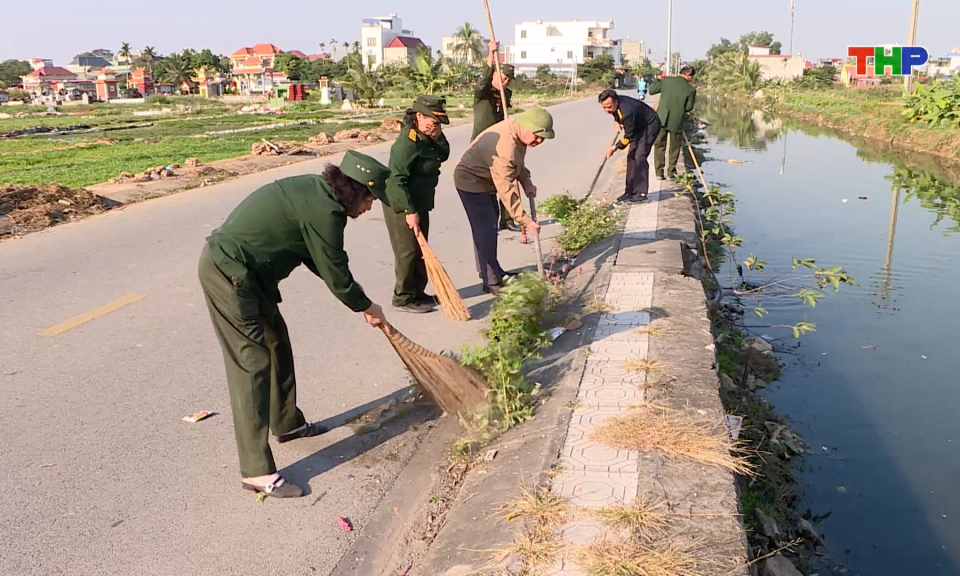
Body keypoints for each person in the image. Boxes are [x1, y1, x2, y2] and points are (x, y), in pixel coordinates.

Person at [198, 150, 391, 499]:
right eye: (371, 200)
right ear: (355, 192)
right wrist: (364, 304)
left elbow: (317, 259)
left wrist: (359, 301)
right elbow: (335, 271)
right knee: (252, 365)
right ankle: (257, 472)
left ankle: (287, 424)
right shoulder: (326, 212)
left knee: (277, 344)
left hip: (251, 278)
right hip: (228, 274)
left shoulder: (317, 193)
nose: (369, 209)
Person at [454, 108, 554, 294]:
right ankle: (491, 280)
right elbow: (506, 189)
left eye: (542, 139)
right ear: (526, 127)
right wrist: (524, 219)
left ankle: (492, 271)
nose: (539, 142)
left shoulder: (518, 132)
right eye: (537, 137)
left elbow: (518, 164)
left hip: (487, 180)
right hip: (472, 181)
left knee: (489, 227)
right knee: (486, 230)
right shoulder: (505, 147)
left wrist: (527, 183)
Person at [383, 95, 451, 314]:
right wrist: (408, 211)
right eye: (433, 120)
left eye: (439, 122)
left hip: (421, 201)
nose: (436, 125)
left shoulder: (427, 135)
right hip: (402, 202)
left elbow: (444, 154)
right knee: (408, 251)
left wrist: (438, 136)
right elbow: (396, 179)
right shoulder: (408, 142)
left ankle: (418, 292)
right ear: (419, 116)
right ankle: (403, 297)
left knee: (422, 248)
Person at [471, 39, 520, 233]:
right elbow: (482, 81)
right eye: (502, 77)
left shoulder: (505, 94)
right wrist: (491, 55)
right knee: (486, 183)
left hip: (500, 143)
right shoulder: (483, 93)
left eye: (508, 79)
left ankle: (508, 219)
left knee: (506, 178)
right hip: (482, 143)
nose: (505, 82)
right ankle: (489, 219)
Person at [599, 89, 662, 203]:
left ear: (616, 101)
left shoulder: (627, 111)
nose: (607, 110)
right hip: (637, 127)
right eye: (604, 107)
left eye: (609, 107)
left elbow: (629, 136)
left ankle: (641, 192)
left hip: (649, 126)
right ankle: (630, 191)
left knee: (640, 157)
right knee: (631, 156)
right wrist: (617, 121)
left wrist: (614, 147)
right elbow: (616, 113)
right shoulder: (616, 105)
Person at [648, 65, 697, 180]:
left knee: (659, 145)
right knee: (674, 148)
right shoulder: (690, 89)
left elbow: (651, 90)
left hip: (661, 118)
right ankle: (671, 172)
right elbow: (689, 108)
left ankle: (659, 173)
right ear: (688, 75)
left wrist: (658, 79)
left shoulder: (667, 81)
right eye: (692, 77)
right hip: (676, 120)